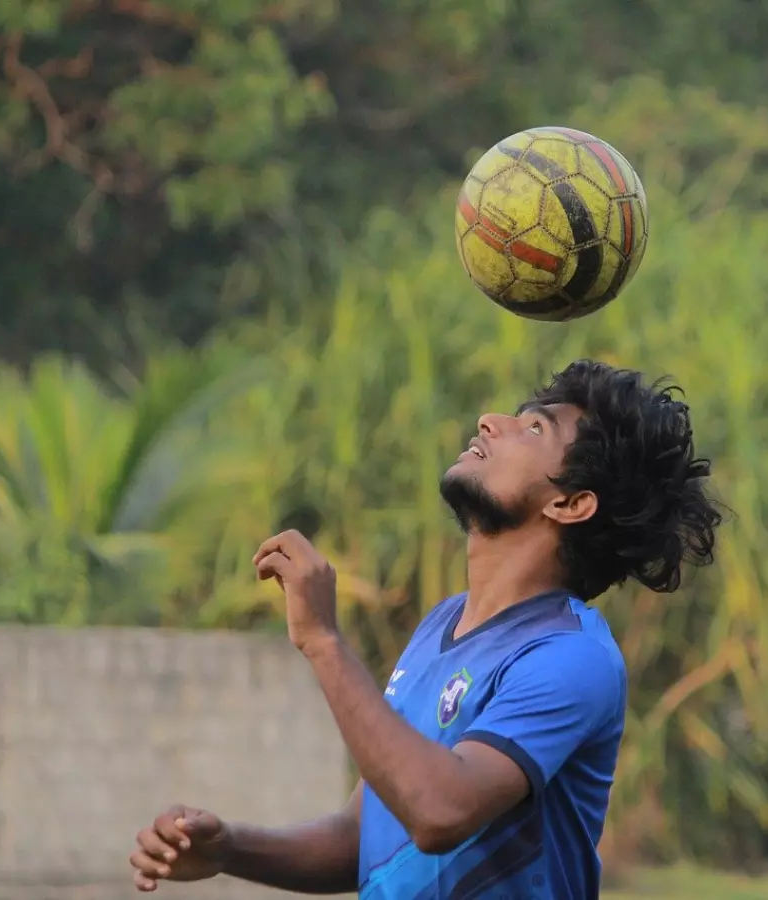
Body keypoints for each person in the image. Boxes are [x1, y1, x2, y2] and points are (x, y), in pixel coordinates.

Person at [128, 359, 722, 899]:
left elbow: (437, 812)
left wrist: (324, 641)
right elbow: (362, 834)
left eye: (535, 429)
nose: (492, 421)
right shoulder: (442, 625)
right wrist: (231, 847)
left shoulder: (570, 656)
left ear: (570, 504)